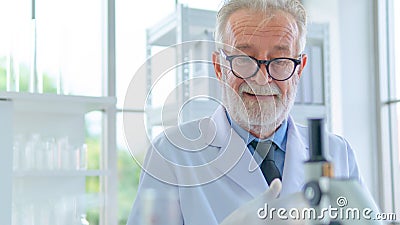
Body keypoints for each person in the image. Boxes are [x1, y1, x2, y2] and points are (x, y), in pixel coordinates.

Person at [127, 0, 366, 224]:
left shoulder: (338, 153)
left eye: (280, 59)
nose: (262, 79)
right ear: (219, 67)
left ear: (299, 69)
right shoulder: (172, 154)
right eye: (244, 59)